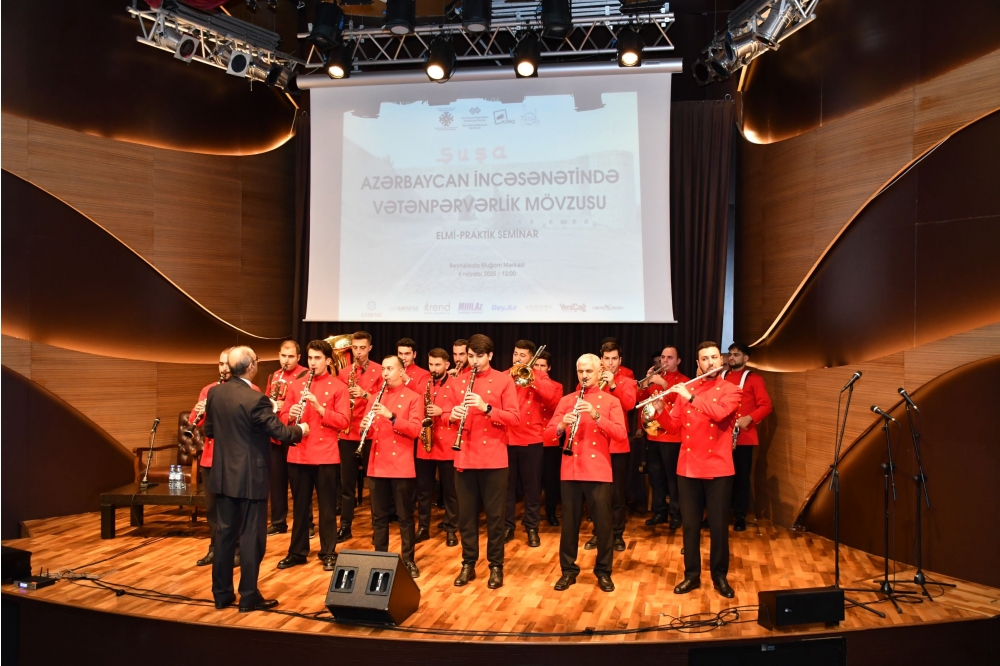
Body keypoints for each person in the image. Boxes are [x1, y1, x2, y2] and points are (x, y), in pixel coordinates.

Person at [203, 346, 307, 612]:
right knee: (252, 537)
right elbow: (280, 432)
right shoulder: (256, 399)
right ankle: (249, 596)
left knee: (224, 535)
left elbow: (210, 431)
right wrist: (301, 429)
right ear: (251, 366)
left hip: (223, 475)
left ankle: (221, 594)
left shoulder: (215, 393)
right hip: (251, 477)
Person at [652, 341, 741, 598]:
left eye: (714, 357)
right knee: (690, 526)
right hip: (688, 467)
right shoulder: (688, 389)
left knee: (718, 526)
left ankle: (719, 576)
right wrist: (661, 412)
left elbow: (719, 414)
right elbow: (674, 427)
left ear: (721, 360)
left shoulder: (731, 390)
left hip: (718, 468)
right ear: (698, 364)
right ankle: (691, 575)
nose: (710, 362)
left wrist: (690, 397)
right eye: (705, 359)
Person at [543, 354, 626, 593]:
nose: (584, 376)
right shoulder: (567, 400)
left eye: (589, 371)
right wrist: (561, 425)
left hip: (598, 470)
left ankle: (603, 571)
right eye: (581, 371)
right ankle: (568, 570)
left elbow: (620, 434)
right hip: (570, 469)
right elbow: (547, 435)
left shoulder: (611, 401)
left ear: (599, 371)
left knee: (603, 525)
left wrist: (596, 415)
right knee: (569, 525)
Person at [450, 334, 520, 589]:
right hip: (465, 456)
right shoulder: (457, 381)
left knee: (495, 517)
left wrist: (486, 408)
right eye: (470, 356)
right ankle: (468, 563)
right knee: (466, 517)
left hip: (493, 460)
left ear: (490, 356)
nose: (474, 361)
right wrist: (452, 415)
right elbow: (445, 414)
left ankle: (496, 566)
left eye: (479, 356)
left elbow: (514, 418)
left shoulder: (503, 380)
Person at [277, 340, 351, 571]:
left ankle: (328, 552)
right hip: (299, 453)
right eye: (310, 358)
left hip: (325, 456)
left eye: (317, 358)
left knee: (327, 508)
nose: (313, 363)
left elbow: (344, 421)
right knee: (300, 507)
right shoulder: (296, 385)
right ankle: (297, 552)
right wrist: (290, 415)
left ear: (328, 360)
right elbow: (282, 417)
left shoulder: (338, 387)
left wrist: (320, 409)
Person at [362, 355, 424, 578]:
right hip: (377, 465)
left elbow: (416, 430)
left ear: (401, 371)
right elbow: (370, 433)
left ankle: (408, 560)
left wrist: (392, 417)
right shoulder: (375, 397)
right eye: (383, 369)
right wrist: (365, 427)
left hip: (401, 466)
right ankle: (380, 559)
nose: (385, 373)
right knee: (378, 517)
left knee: (405, 517)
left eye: (390, 369)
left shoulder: (414, 398)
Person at [504, 339, 559, 548]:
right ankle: (508, 526)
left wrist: (532, 377)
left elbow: (551, 397)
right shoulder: (505, 375)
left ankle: (532, 527)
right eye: (515, 353)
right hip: (507, 438)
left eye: (522, 355)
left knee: (532, 488)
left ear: (531, 358)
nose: (517, 358)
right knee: (507, 488)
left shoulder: (540, 376)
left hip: (532, 439)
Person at [583, 341, 637, 552]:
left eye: (614, 359)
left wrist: (614, 385)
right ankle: (599, 532)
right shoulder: (590, 379)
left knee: (616, 494)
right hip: (595, 445)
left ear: (620, 360)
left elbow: (629, 405)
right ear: (601, 360)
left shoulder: (627, 381)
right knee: (596, 495)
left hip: (617, 445)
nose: (611, 363)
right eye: (607, 359)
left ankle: (617, 534)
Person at [336, 331, 383, 543]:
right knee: (346, 484)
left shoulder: (380, 370)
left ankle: (377, 529)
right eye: (355, 348)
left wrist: (364, 394)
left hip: (371, 433)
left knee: (374, 485)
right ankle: (345, 526)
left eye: (362, 348)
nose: (358, 352)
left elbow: (384, 399)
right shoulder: (344, 372)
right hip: (349, 433)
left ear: (370, 348)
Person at [190, 348, 236, 567]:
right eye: (221, 364)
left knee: (234, 508)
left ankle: (236, 550)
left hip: (233, 458)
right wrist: (199, 410)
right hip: (210, 457)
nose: (224, 368)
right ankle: (214, 549)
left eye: (227, 364)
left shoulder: (248, 389)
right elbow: (196, 421)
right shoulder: (208, 389)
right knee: (212, 509)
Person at [723, 343, 772, 532]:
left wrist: (750, 417)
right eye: (730, 354)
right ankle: (717, 514)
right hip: (720, 436)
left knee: (741, 478)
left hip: (743, 437)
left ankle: (740, 516)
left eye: (736, 354)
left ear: (746, 358)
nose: (732, 357)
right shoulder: (721, 377)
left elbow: (766, 406)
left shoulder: (755, 379)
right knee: (719, 479)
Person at [415, 348, 462, 547]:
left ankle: (451, 529)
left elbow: (461, 414)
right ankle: (423, 528)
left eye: (437, 365)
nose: (433, 369)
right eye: (431, 364)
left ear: (447, 365)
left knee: (451, 491)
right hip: (425, 444)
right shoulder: (423, 384)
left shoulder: (456, 385)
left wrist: (441, 411)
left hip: (447, 445)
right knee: (423, 491)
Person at [640, 346, 689, 529]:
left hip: (673, 437)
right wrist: (646, 383)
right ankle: (660, 511)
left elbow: (682, 402)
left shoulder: (684, 381)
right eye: (663, 357)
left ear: (678, 361)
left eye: (670, 357)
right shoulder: (655, 378)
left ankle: (676, 513)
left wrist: (664, 384)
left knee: (673, 478)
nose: (665, 361)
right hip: (654, 435)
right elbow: (640, 400)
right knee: (656, 476)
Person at [265, 340, 309, 536]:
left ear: (298, 357)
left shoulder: (306, 374)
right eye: (283, 356)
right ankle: (278, 522)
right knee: (277, 480)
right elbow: (266, 401)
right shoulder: (274, 376)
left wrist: (287, 407)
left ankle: (306, 524)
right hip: (276, 433)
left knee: (299, 482)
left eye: (291, 356)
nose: (286, 360)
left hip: (295, 433)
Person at [534, 351, 564, 526]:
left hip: (549, 438)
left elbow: (554, 406)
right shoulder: (526, 383)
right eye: (536, 365)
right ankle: (532, 515)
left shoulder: (556, 386)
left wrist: (540, 387)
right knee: (533, 481)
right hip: (530, 437)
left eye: (542, 366)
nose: (539, 369)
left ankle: (551, 513)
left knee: (550, 480)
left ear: (549, 367)